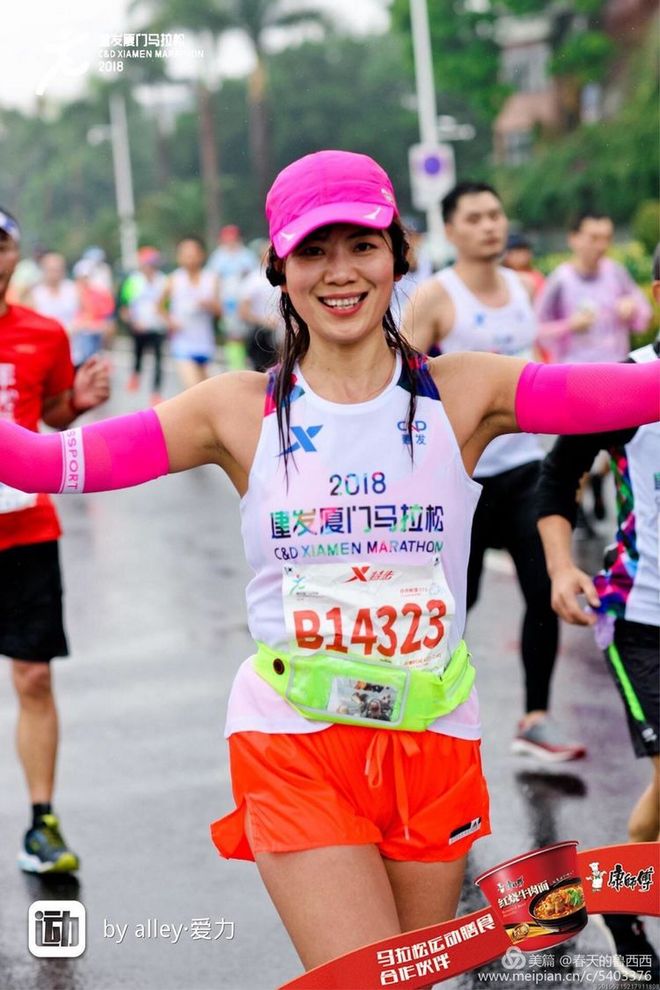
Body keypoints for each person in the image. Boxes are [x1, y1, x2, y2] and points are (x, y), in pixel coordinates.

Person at [0, 155, 657, 976]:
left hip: (433, 735)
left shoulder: (467, 391)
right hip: (296, 739)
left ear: (398, 255)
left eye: (363, 245)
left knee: (414, 978)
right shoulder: (233, 411)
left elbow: (634, 392)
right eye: (314, 251)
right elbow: (36, 463)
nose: (341, 273)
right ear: (280, 267)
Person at [403, 181, 584, 762]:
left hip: (526, 466)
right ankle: (420, 716)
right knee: (457, 600)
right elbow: (398, 383)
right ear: (451, 230)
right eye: (475, 217)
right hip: (460, 477)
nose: (489, 225)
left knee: (541, 589)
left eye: (495, 214)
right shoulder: (435, 297)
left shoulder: (525, 288)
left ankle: (534, 719)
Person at [536, 256, 660, 983]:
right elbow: (556, 480)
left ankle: (618, 890)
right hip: (645, 614)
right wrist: (559, 565)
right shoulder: (626, 383)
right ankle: (620, 899)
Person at [0, 208, 110, 873]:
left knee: (34, 676)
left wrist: (80, 405)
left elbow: (47, 413)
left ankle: (41, 823)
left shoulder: (43, 333)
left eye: (1, 243)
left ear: (14, 254)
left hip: (25, 526)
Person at [535, 211, 652, 365]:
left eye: (607, 238)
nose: (602, 246)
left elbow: (645, 315)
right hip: (574, 374)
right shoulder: (560, 281)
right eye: (594, 238)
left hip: (616, 370)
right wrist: (569, 326)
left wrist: (632, 309)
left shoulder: (616, 272)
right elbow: (536, 333)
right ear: (573, 238)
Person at [160, 236, 221, 390]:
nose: (190, 258)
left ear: (201, 255)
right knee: (193, 389)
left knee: (207, 391)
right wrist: (170, 321)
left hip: (205, 343)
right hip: (183, 343)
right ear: (179, 257)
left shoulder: (211, 278)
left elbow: (219, 311)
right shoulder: (173, 279)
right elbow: (159, 306)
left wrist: (209, 305)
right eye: (185, 254)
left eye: (193, 254)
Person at [118, 246, 168, 404]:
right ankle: (135, 374)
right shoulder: (133, 281)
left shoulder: (163, 281)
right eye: (146, 264)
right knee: (138, 353)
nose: (149, 268)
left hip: (158, 327)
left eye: (152, 264)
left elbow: (168, 304)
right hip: (139, 326)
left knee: (159, 361)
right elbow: (124, 306)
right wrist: (133, 322)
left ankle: (156, 392)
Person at [207, 224, 258, 371]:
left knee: (247, 333)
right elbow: (214, 280)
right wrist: (216, 301)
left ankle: (250, 362)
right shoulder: (218, 257)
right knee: (233, 334)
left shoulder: (246, 256)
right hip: (228, 302)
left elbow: (254, 277)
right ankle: (236, 366)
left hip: (245, 301)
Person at [237, 243, 282, 372]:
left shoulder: (287, 275)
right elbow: (243, 311)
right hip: (262, 334)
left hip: (285, 334)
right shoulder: (253, 280)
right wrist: (264, 321)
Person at [70, 259, 115, 367]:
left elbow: (108, 321)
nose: (84, 280)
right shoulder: (70, 292)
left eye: (87, 277)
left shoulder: (101, 294)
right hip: (77, 340)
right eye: (82, 277)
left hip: (93, 338)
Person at [502, 231, 545, 301]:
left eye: (525, 250)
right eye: (517, 251)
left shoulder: (537, 276)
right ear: (506, 255)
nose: (522, 255)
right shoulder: (502, 276)